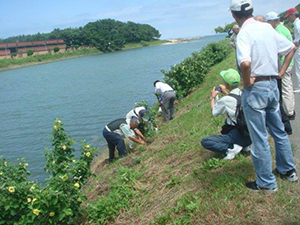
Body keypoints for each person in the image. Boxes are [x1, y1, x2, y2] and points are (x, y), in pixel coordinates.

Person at [230, 0, 298, 192]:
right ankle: (288, 170)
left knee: (259, 137)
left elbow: (245, 63)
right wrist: (282, 71)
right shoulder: (267, 28)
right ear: (251, 11)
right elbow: (291, 48)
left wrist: (246, 82)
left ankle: (266, 183)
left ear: (234, 15)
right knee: (279, 130)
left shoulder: (243, 33)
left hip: (256, 87)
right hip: (271, 83)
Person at [201, 69, 252, 160]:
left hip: (238, 134)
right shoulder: (244, 93)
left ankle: (230, 149)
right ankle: (245, 146)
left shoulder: (226, 100)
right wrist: (225, 93)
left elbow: (214, 112)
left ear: (227, 85)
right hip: (250, 134)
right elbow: (236, 102)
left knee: (205, 141)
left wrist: (213, 97)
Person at [266, 11, 296, 120]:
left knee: (285, 87)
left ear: (272, 21)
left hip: (284, 63)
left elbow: (284, 48)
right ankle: (290, 109)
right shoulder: (283, 28)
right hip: (287, 62)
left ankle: (289, 111)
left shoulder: (278, 31)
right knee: (287, 86)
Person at [285, 8, 300, 93]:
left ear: (293, 15)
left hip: (298, 48)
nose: (289, 19)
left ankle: (299, 86)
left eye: (289, 16)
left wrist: (297, 43)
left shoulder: (297, 24)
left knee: (298, 67)